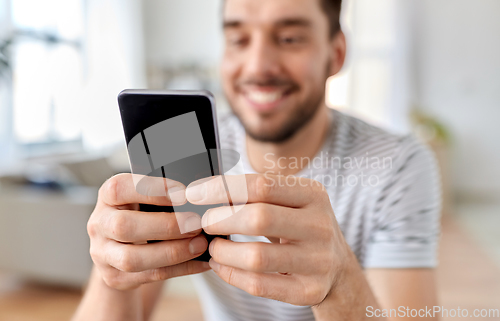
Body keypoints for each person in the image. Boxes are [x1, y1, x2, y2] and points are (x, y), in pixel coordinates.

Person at [72, 0, 441, 320]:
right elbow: (129, 280)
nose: (258, 66)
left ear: (336, 54)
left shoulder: (397, 164)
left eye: (290, 38)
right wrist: (114, 277)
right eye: (238, 39)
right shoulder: (186, 146)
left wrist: (339, 279)